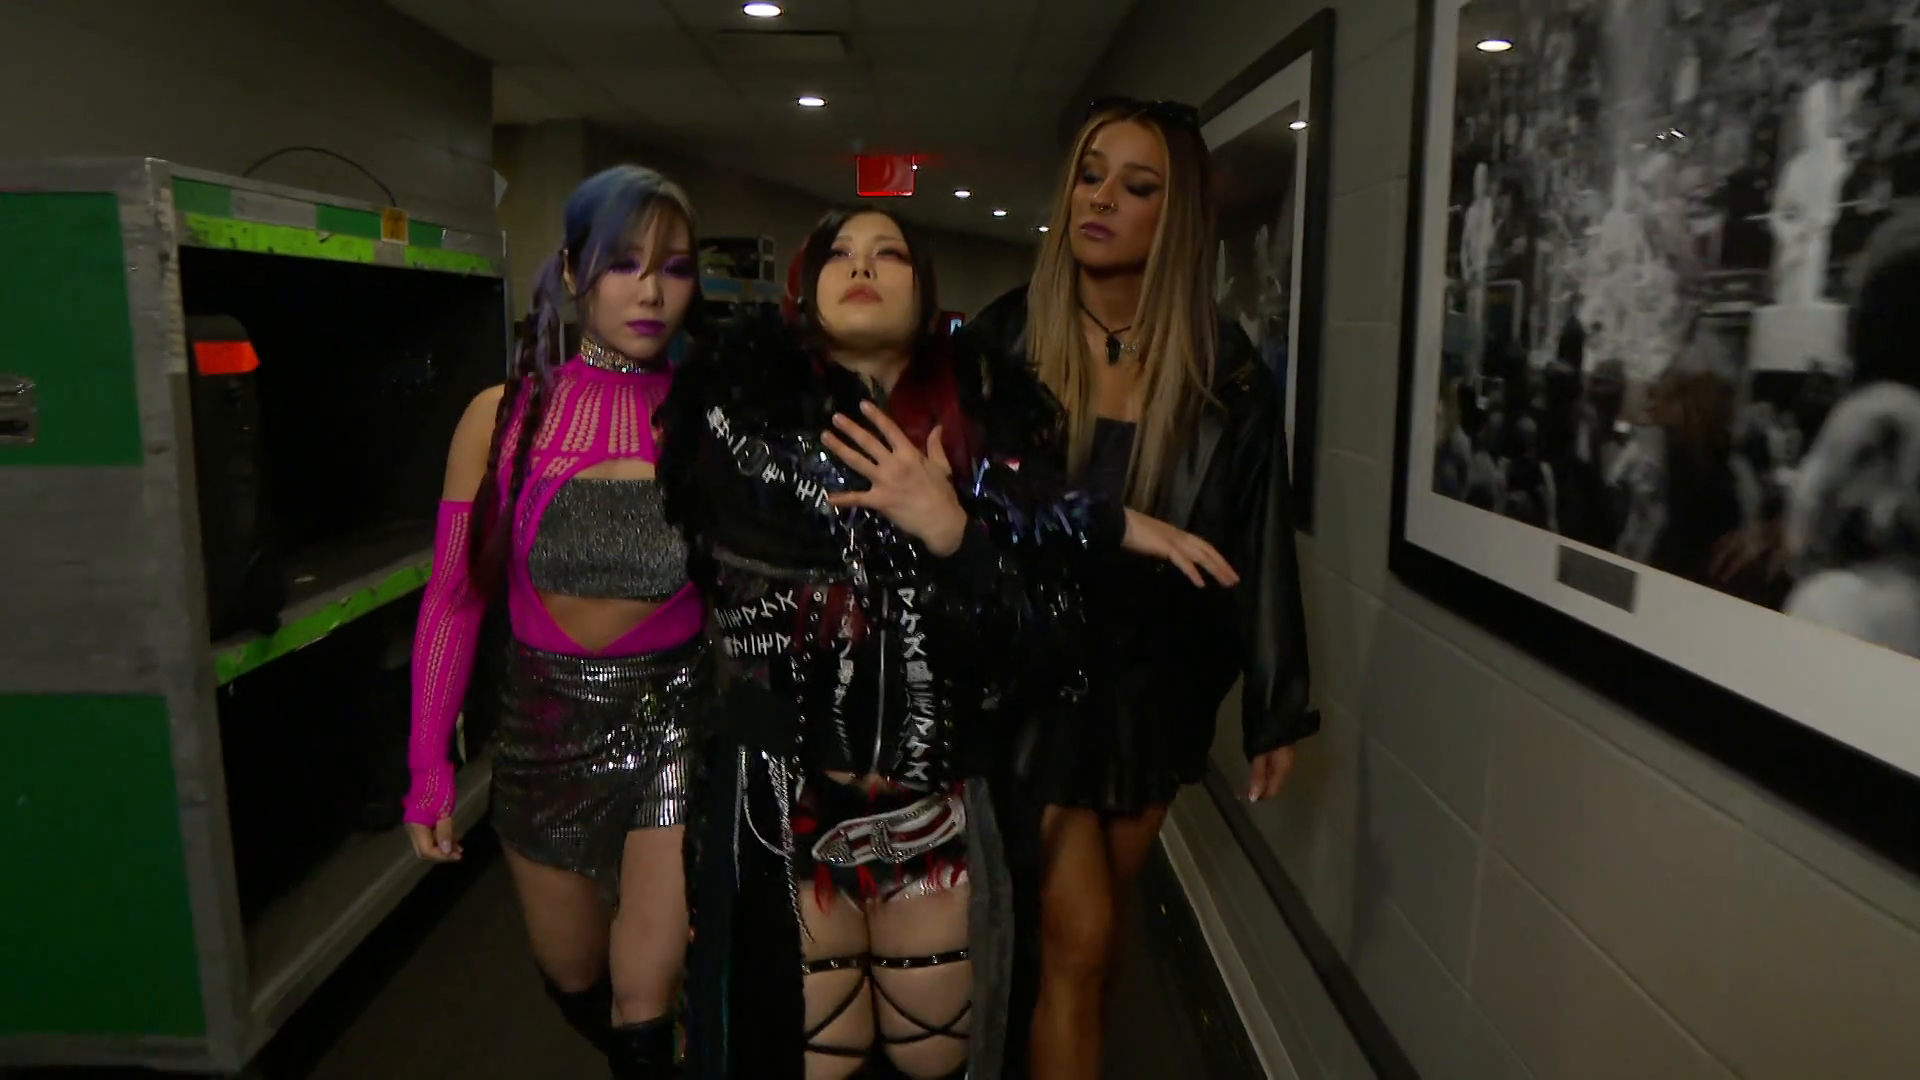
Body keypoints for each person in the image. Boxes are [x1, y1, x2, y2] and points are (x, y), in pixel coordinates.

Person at [658, 206, 1234, 1079]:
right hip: (782, 816)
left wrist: (954, 531)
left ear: (927, 301)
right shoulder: (731, 429)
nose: (862, 266)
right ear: (804, 294)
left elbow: (1040, 643)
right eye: (841, 254)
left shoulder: (989, 444)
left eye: (888, 253)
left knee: (938, 1062)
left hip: (942, 820)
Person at [957, 97, 1319, 1080]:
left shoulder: (1223, 369)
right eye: (1090, 175)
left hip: (1155, 690)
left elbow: (1259, 534)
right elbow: (964, 506)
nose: (1101, 199)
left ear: (1178, 217)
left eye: (1137, 185)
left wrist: (1276, 703)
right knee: (1075, 939)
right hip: (1032, 684)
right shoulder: (1001, 343)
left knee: (1096, 942)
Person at [402, 165, 710, 1078]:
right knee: (573, 973)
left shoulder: (712, 419)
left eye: (675, 267)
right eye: (622, 263)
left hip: (674, 723)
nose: (651, 292)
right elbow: (454, 597)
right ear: (574, 272)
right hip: (541, 734)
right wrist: (427, 767)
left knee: (643, 994)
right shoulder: (503, 419)